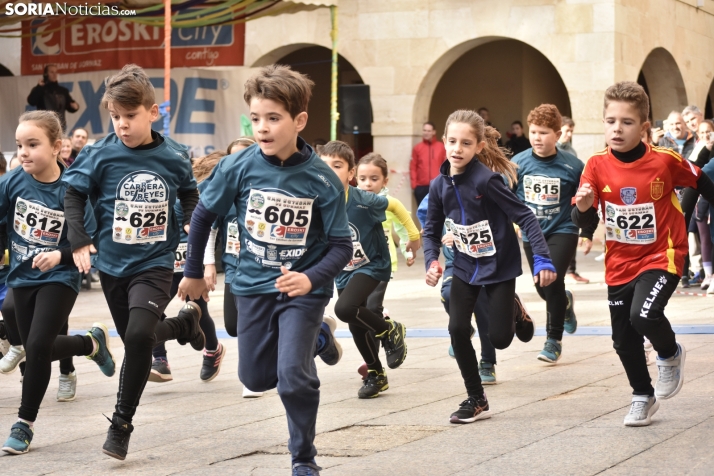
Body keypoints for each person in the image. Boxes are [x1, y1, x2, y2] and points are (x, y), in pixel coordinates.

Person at [178, 64, 351, 476]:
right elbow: (203, 217)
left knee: (292, 377)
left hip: (302, 290)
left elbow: (342, 246)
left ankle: (303, 459)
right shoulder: (238, 167)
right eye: (255, 118)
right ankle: (320, 337)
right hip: (251, 285)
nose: (262, 128)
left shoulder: (323, 180)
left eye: (273, 118)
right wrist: (193, 271)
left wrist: (311, 278)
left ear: (299, 120)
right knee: (255, 379)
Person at [63, 64, 206, 461]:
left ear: (153, 111)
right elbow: (73, 196)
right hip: (112, 264)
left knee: (140, 336)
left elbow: (189, 195)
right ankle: (183, 323)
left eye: (130, 116)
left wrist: (195, 224)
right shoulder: (99, 154)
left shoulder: (175, 155)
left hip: (156, 261)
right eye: (115, 117)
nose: (122, 125)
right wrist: (80, 239)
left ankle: (121, 422)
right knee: (134, 338)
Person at [572, 81, 714, 426]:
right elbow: (582, 216)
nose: (616, 129)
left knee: (645, 315)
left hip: (662, 255)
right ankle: (642, 396)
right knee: (623, 339)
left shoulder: (665, 161)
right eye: (610, 121)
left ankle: (669, 353)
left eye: (626, 122)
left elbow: (702, 182)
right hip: (619, 262)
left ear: (644, 127)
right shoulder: (595, 165)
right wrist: (586, 210)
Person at [423, 109, 556, 424]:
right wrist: (432, 261)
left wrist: (542, 258)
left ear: (479, 146)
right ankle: (476, 398)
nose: (457, 149)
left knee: (500, 339)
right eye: (452, 141)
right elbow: (430, 230)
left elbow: (524, 216)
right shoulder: (438, 185)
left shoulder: (487, 179)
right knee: (457, 329)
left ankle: (515, 309)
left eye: (466, 143)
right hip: (465, 266)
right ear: (444, 141)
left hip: (498, 267)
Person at [0, 110, 114, 455]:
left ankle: (24, 424)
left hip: (60, 276)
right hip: (21, 277)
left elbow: (90, 238)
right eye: (19, 145)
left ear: (57, 147)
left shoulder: (74, 188)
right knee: (37, 346)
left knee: (36, 349)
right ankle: (88, 344)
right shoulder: (11, 182)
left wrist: (59, 256)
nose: (23, 152)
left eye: (32, 144)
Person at [321, 143, 420, 399]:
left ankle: (389, 330)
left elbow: (396, 206)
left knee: (343, 309)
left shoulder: (363, 199)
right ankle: (377, 374)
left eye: (337, 166)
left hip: (373, 265)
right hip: (344, 269)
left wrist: (413, 236)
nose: (330, 171)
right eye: (324, 166)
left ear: (350, 173)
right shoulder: (319, 203)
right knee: (356, 325)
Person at [512, 104, 592, 363]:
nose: (537, 137)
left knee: (552, 279)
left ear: (558, 135)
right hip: (531, 233)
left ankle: (553, 340)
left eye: (544, 132)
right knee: (541, 285)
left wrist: (587, 231)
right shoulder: (519, 163)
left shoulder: (572, 165)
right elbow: (505, 197)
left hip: (563, 229)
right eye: (534, 132)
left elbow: (589, 200)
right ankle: (565, 304)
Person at [148, 152, 226, 384]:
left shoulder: (209, 195)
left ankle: (212, 349)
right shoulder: (168, 189)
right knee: (152, 310)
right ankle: (160, 359)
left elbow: (205, 230)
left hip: (191, 264)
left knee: (199, 309)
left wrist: (206, 265)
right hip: (165, 262)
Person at [417, 194, 501, 384]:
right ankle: (464, 327)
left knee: (483, 311)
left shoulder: (485, 186)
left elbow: (499, 225)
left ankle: (487, 361)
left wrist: (463, 236)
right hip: (456, 263)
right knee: (448, 294)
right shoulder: (439, 189)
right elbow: (427, 219)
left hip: (483, 262)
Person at [556, 116, 590, 284]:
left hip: (570, 199)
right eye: (566, 130)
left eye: (571, 131)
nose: (568, 134)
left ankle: (571, 270)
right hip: (555, 200)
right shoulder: (552, 148)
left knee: (571, 232)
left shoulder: (571, 151)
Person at [26, 64, 79, 133]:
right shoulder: (40, 89)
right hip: (44, 126)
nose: (54, 74)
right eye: (52, 72)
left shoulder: (62, 90)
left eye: (56, 72)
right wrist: (39, 87)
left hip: (60, 126)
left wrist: (75, 107)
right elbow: (31, 101)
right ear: (46, 74)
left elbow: (69, 106)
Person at [410, 122, 446, 207]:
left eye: (429, 131)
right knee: (423, 214)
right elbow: (413, 167)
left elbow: (446, 166)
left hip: (437, 186)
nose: (426, 133)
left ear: (434, 132)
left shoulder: (441, 147)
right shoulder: (417, 148)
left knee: (438, 212)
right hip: (421, 187)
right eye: (424, 130)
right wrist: (414, 185)